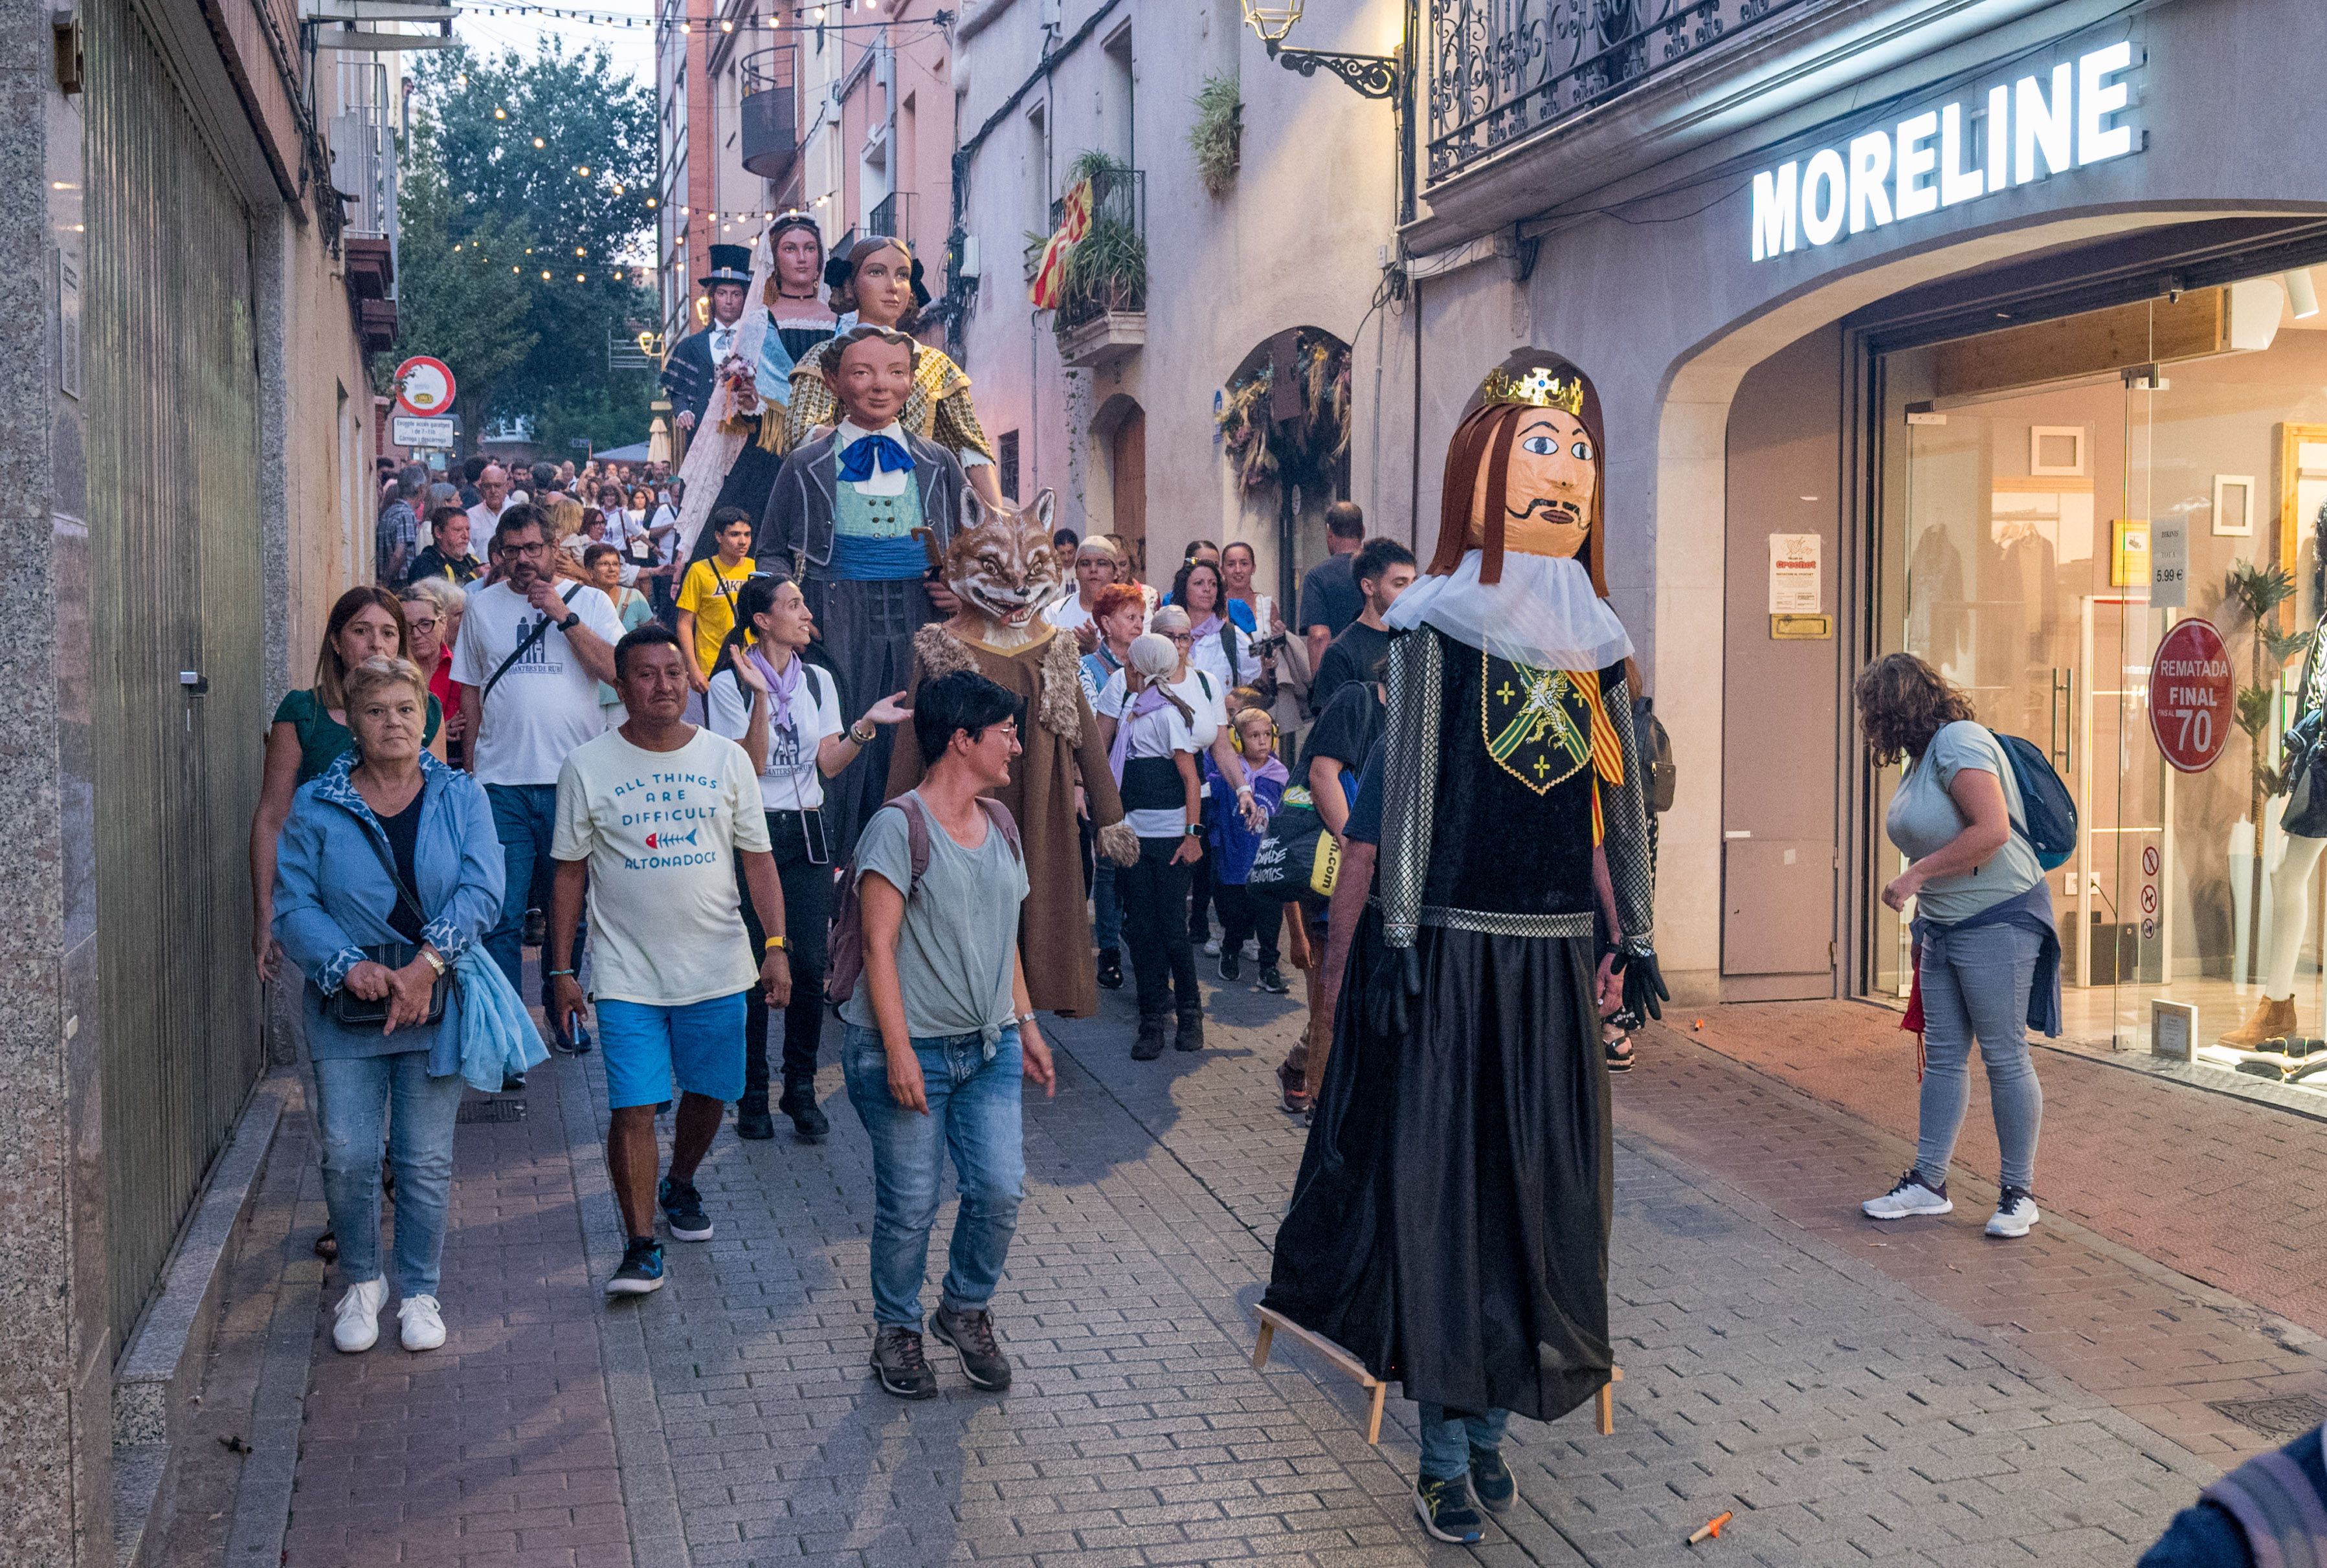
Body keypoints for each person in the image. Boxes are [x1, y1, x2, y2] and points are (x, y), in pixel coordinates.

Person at [1264, 353, 1664, 1546]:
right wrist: (1346, 989)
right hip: (1445, 966)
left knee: (1544, 1198)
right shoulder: (1430, 638)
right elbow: (1381, 839)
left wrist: (1626, 938)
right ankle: (1445, 1445)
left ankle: (1490, 1428)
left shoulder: (1596, 650)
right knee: (1447, 1202)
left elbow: (1605, 817)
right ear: (1483, 472)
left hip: (1547, 969)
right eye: (1541, 444)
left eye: (1581, 449)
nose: (1567, 470)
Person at [272, 656, 505, 1355]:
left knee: (425, 1156)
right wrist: (349, 966)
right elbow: (294, 902)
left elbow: (483, 888)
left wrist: (426, 965)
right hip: (347, 1002)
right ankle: (363, 1281)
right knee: (347, 1151)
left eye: (406, 708)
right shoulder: (318, 801)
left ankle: (420, 1289)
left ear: (425, 714)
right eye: (376, 710)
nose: (393, 722)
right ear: (354, 721)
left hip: (433, 997)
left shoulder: (461, 795)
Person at [548, 624, 789, 1297]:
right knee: (634, 1106)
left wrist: (776, 946)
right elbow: (568, 875)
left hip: (718, 967)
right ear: (620, 688)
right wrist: (562, 971)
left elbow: (758, 859)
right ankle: (640, 1242)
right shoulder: (587, 766)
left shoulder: (726, 759)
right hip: (625, 974)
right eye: (647, 676)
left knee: (712, 1092)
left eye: (674, 673)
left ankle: (680, 1180)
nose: (664, 686)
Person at [841, 670, 1054, 1397]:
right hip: (908, 1050)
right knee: (910, 1203)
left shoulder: (1000, 822)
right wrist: (899, 1051)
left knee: (999, 1189)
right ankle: (895, 1329)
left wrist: (1024, 1022)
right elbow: (877, 948)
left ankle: (963, 1308)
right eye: (1006, 733)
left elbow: (1007, 936)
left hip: (987, 1045)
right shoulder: (897, 827)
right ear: (963, 739)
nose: (1017, 748)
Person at [884, 489, 1137, 1021]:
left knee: (1036, 903)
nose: (1018, 588)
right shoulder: (942, 646)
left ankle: (1023, 1012)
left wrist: (1110, 817)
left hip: (1039, 800)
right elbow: (911, 740)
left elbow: (1085, 734)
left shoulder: (1052, 644)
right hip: (960, 807)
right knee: (965, 911)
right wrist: (894, 822)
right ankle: (972, 1012)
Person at [1855, 652, 2056, 1239]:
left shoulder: (1958, 743)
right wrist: (1925, 919)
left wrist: (1915, 877)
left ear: (1895, 707)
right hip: (1945, 927)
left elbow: (1991, 831)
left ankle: (2019, 1193)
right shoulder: (1922, 760)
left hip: (1998, 920)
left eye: (1873, 710)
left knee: (2003, 1054)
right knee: (1944, 1055)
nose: (1869, 723)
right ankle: (1927, 1182)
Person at [704, 573, 911, 1140]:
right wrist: (763, 697)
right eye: (792, 604)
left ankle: (799, 1089)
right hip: (753, 834)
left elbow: (828, 762)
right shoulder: (730, 685)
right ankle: (751, 1094)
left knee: (809, 964)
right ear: (762, 620)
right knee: (752, 966)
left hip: (809, 830)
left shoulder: (818, 679)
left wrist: (866, 725)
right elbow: (749, 767)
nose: (805, 612)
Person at [757, 324, 973, 856]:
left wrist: (961, 589)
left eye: (896, 373)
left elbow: (976, 545)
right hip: (836, 615)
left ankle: (919, 857)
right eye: (862, 372)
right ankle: (835, 869)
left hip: (923, 616)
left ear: (911, 382)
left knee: (921, 735)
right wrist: (794, 613)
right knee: (846, 737)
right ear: (833, 381)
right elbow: (769, 552)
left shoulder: (939, 462)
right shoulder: (804, 464)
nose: (881, 385)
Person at [450, 506, 625, 1054]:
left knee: (566, 917)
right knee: (500, 915)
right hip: (502, 785)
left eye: (532, 548)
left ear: (553, 548)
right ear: (498, 553)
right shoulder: (481, 607)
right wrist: (475, 769)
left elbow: (619, 671)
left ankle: (564, 1013)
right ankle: (507, 1035)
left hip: (572, 779)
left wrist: (563, 615)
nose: (523, 560)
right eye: (512, 550)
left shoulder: (591, 602)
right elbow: (472, 690)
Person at [251, 588, 446, 982]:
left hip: (411, 913)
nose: (377, 643)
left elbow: (439, 812)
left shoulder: (425, 712)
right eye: (362, 630)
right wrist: (265, 913)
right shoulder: (303, 712)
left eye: (390, 633)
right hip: (319, 909)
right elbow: (272, 817)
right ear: (337, 642)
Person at [780, 237, 1005, 511]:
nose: (892, 286)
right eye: (877, 272)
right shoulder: (824, 357)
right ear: (851, 285)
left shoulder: (936, 366)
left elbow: (972, 450)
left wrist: (1001, 521)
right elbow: (802, 434)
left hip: (920, 512)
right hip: (839, 504)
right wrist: (873, 449)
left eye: (902, 275)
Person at [1273, 664, 1389, 1115]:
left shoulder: (1415, 713)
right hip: (1336, 873)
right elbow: (1320, 775)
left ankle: (1299, 1068)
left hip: (1375, 876)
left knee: (1338, 995)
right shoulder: (1355, 700)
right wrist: (1354, 847)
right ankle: (1323, 1108)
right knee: (1329, 996)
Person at [1103, 634, 1209, 1059]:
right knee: (1141, 930)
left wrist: (1192, 836)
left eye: (1130, 667)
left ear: (1145, 670)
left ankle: (1190, 1011)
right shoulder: (1132, 710)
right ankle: (1150, 1018)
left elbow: (1189, 780)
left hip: (1169, 839)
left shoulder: (1165, 716)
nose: (1125, 673)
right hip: (1135, 837)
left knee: (1171, 929)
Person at [1080, 583, 1147, 989]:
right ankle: (1108, 951)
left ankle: (1132, 936)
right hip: (1105, 778)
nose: (1139, 625)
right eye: (1130, 618)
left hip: (1141, 779)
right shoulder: (1088, 668)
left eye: (1141, 618)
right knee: (1106, 867)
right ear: (1106, 624)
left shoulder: (1150, 665)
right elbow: (1088, 726)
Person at [1207, 708, 1291, 993]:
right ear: (1238, 740)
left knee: (1269, 917)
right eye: (1254, 736)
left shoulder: (1280, 776)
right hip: (1236, 857)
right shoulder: (1227, 774)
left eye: (1267, 735)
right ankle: (1230, 949)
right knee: (1237, 916)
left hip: (1267, 861)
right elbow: (1213, 811)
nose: (1262, 741)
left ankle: (1269, 967)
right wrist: (1217, 843)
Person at [1309, 538, 1416, 718]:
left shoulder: (1416, 638)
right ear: (1368, 586)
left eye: (1414, 582)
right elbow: (1333, 728)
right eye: (1400, 584)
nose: (1411, 593)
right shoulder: (1341, 653)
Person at [662, 243, 753, 438]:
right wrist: (684, 411)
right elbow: (678, 392)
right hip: (703, 436)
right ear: (712, 297)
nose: (729, 301)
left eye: (735, 294)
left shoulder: (757, 343)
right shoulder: (691, 346)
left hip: (747, 437)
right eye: (722, 294)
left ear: (744, 298)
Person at [676, 507, 757, 692]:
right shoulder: (700, 571)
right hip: (713, 667)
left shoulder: (756, 568)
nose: (742, 541)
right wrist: (693, 668)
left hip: (753, 663)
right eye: (735, 535)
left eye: (747, 534)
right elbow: (684, 624)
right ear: (719, 537)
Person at [399, 579, 468, 767]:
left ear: (443, 622)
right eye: (407, 627)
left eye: (425, 624)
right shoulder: (393, 675)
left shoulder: (462, 670)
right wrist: (438, 731)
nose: (416, 634)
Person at [585, 543, 657, 721]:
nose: (611, 569)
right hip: (591, 690)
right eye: (604, 564)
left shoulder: (635, 597)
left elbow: (651, 642)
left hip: (626, 688)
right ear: (590, 571)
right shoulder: (583, 600)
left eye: (616, 564)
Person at [1298, 501, 1368, 678]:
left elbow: (1319, 636)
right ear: (1363, 532)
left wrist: (1320, 687)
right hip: (1381, 677)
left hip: (1340, 678)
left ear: (1330, 535)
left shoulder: (1317, 577)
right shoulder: (1380, 571)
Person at [1045, 536, 1120, 643]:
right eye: (1085, 564)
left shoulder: (1133, 612)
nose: (1093, 569)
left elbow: (1139, 658)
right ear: (1076, 572)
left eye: (1101, 563)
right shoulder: (1054, 613)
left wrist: (1096, 648)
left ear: (1116, 572)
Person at [1218, 540, 1282, 639]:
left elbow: (1277, 647)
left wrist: (1281, 636)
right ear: (1222, 570)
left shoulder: (1267, 607)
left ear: (1253, 568)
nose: (1238, 570)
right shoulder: (1215, 606)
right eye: (1231, 565)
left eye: (1244, 564)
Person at [407, 507, 484, 587]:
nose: (466, 536)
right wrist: (474, 578)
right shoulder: (425, 564)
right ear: (438, 532)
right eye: (458, 530)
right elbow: (439, 597)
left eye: (467, 529)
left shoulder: (473, 561)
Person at [377, 465, 425, 584]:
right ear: (420, 489)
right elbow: (399, 555)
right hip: (400, 583)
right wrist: (385, 582)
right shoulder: (406, 514)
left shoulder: (390, 512)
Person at [466, 463, 512, 542]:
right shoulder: (470, 516)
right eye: (487, 486)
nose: (493, 491)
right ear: (481, 488)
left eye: (497, 486)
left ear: (506, 487)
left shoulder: (518, 512)